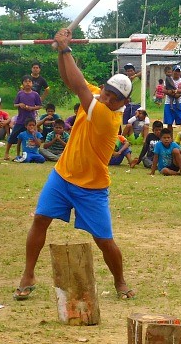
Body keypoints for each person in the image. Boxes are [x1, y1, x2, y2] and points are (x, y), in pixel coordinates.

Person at [14, 27, 135, 301]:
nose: (106, 97)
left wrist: (66, 48)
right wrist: (61, 52)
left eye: (114, 98)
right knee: (40, 220)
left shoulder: (107, 116)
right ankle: (28, 274)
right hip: (62, 176)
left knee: (104, 240)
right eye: (106, 91)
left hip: (91, 187)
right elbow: (72, 81)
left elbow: (79, 87)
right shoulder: (97, 96)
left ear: (123, 104)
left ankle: (120, 281)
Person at [4, 75, 42, 160]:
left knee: (33, 137)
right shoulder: (20, 93)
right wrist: (20, 105)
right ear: (22, 84)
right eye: (25, 81)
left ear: (32, 83)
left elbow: (39, 106)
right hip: (20, 120)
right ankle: (6, 153)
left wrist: (32, 108)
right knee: (13, 136)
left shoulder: (35, 94)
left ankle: (34, 152)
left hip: (31, 121)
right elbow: (15, 104)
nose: (27, 83)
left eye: (29, 81)